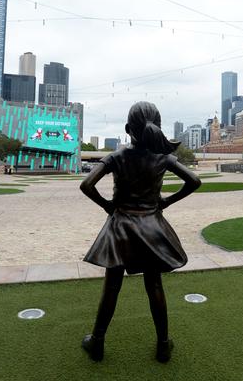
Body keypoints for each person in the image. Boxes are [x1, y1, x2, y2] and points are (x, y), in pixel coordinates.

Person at [79, 101, 201, 363]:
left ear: (127, 129)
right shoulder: (163, 158)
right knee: (154, 284)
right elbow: (194, 181)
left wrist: (108, 207)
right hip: (152, 227)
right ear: (156, 127)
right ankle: (163, 345)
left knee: (111, 287)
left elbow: (87, 184)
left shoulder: (117, 157)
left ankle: (97, 342)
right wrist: (166, 202)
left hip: (119, 228)